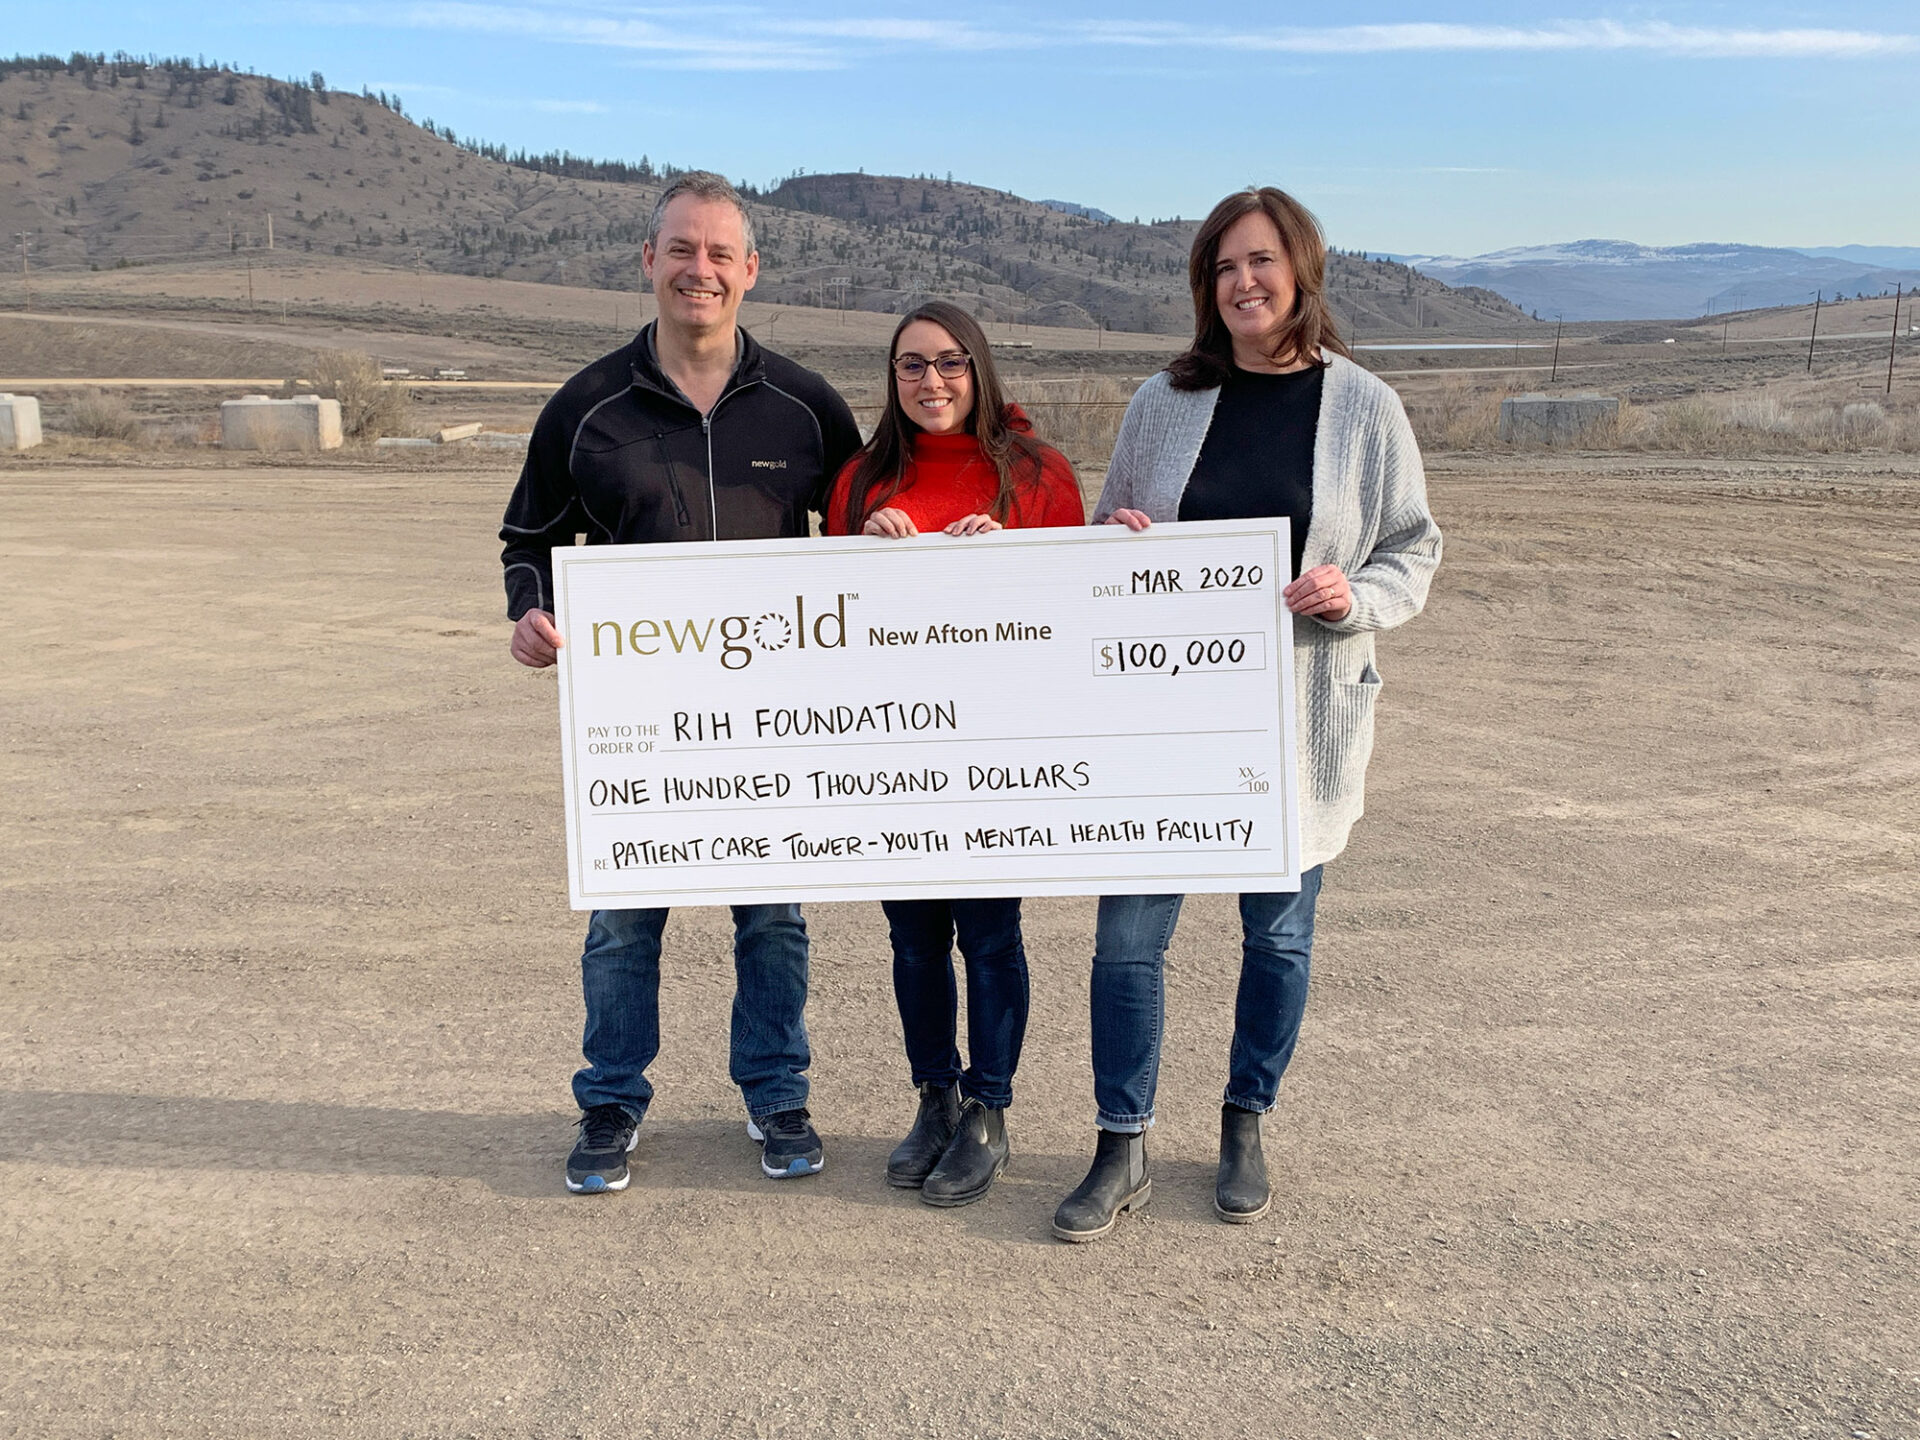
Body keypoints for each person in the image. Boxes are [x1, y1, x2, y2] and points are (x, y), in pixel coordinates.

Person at [1052, 186, 1442, 1242]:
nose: (1243, 282)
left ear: (1301, 269)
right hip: (1166, 725)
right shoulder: (1162, 401)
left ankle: (1244, 1121)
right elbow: (1105, 534)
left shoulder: (1363, 408)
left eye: (1261, 261)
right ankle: (1120, 1140)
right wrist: (1119, 542)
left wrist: (1355, 596)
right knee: (1127, 938)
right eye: (1223, 267)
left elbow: (1413, 547)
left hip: (1299, 721)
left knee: (1277, 935)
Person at [500, 172, 862, 1193]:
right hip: (638, 724)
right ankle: (610, 1101)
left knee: (773, 918)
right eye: (681, 250)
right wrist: (529, 610)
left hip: (774, 719)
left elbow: (862, 531)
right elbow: (529, 537)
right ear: (648, 261)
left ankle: (776, 1092)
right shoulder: (586, 407)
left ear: (751, 271)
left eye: (719, 254)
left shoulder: (806, 407)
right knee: (624, 922)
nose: (699, 270)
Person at [823, 300, 1083, 1205]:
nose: (931, 381)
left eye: (949, 362)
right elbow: (829, 621)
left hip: (998, 749)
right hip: (894, 750)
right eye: (911, 365)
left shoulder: (1039, 475)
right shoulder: (861, 479)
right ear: (891, 378)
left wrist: (1014, 562)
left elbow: (1077, 611)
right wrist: (858, 550)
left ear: (979, 367)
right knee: (914, 937)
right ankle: (934, 1097)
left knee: (990, 934)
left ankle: (989, 1111)